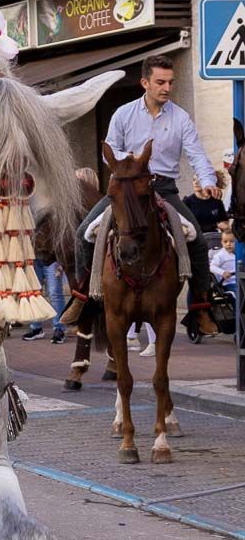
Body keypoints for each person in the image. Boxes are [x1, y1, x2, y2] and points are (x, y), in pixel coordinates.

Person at [64, 54, 220, 336]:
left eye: (171, 82)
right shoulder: (123, 113)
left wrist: (208, 181)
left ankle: (201, 307)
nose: (167, 88)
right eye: (160, 82)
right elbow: (108, 148)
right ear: (145, 83)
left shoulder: (181, 117)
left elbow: (196, 154)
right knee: (83, 234)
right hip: (126, 188)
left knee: (196, 239)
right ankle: (85, 297)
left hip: (163, 188)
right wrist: (133, 161)